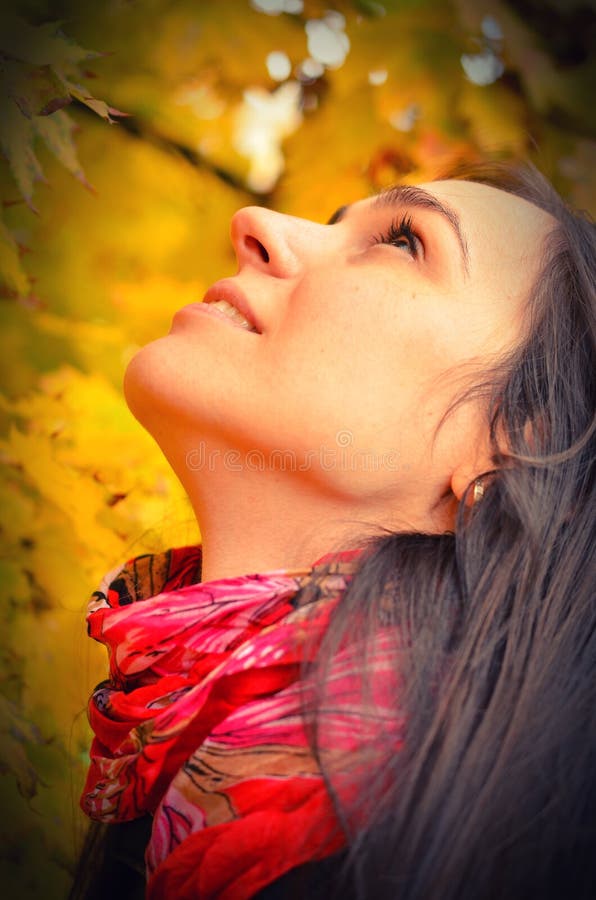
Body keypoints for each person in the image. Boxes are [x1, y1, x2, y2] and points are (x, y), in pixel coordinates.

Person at [73, 161, 595, 900]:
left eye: (404, 241)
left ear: (513, 445)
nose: (256, 224)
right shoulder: (162, 780)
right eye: (336, 220)